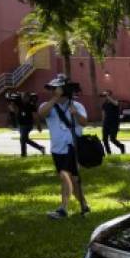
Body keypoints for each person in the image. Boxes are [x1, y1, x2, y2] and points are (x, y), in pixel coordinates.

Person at [38, 75, 90, 219]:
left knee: (65, 176)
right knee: (72, 180)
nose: (55, 91)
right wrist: (55, 98)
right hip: (57, 149)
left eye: (58, 89)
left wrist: (76, 114)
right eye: (54, 89)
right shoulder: (47, 105)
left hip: (72, 146)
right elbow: (41, 114)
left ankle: (63, 209)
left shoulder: (77, 105)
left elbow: (84, 122)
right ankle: (84, 205)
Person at [100, 90, 126, 155]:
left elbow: (116, 104)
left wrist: (107, 96)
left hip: (114, 123)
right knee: (104, 139)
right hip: (106, 123)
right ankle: (109, 153)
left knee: (112, 139)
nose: (105, 96)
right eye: (105, 95)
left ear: (110, 95)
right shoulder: (104, 104)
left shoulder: (115, 101)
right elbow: (103, 114)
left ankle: (121, 146)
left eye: (107, 94)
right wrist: (103, 123)